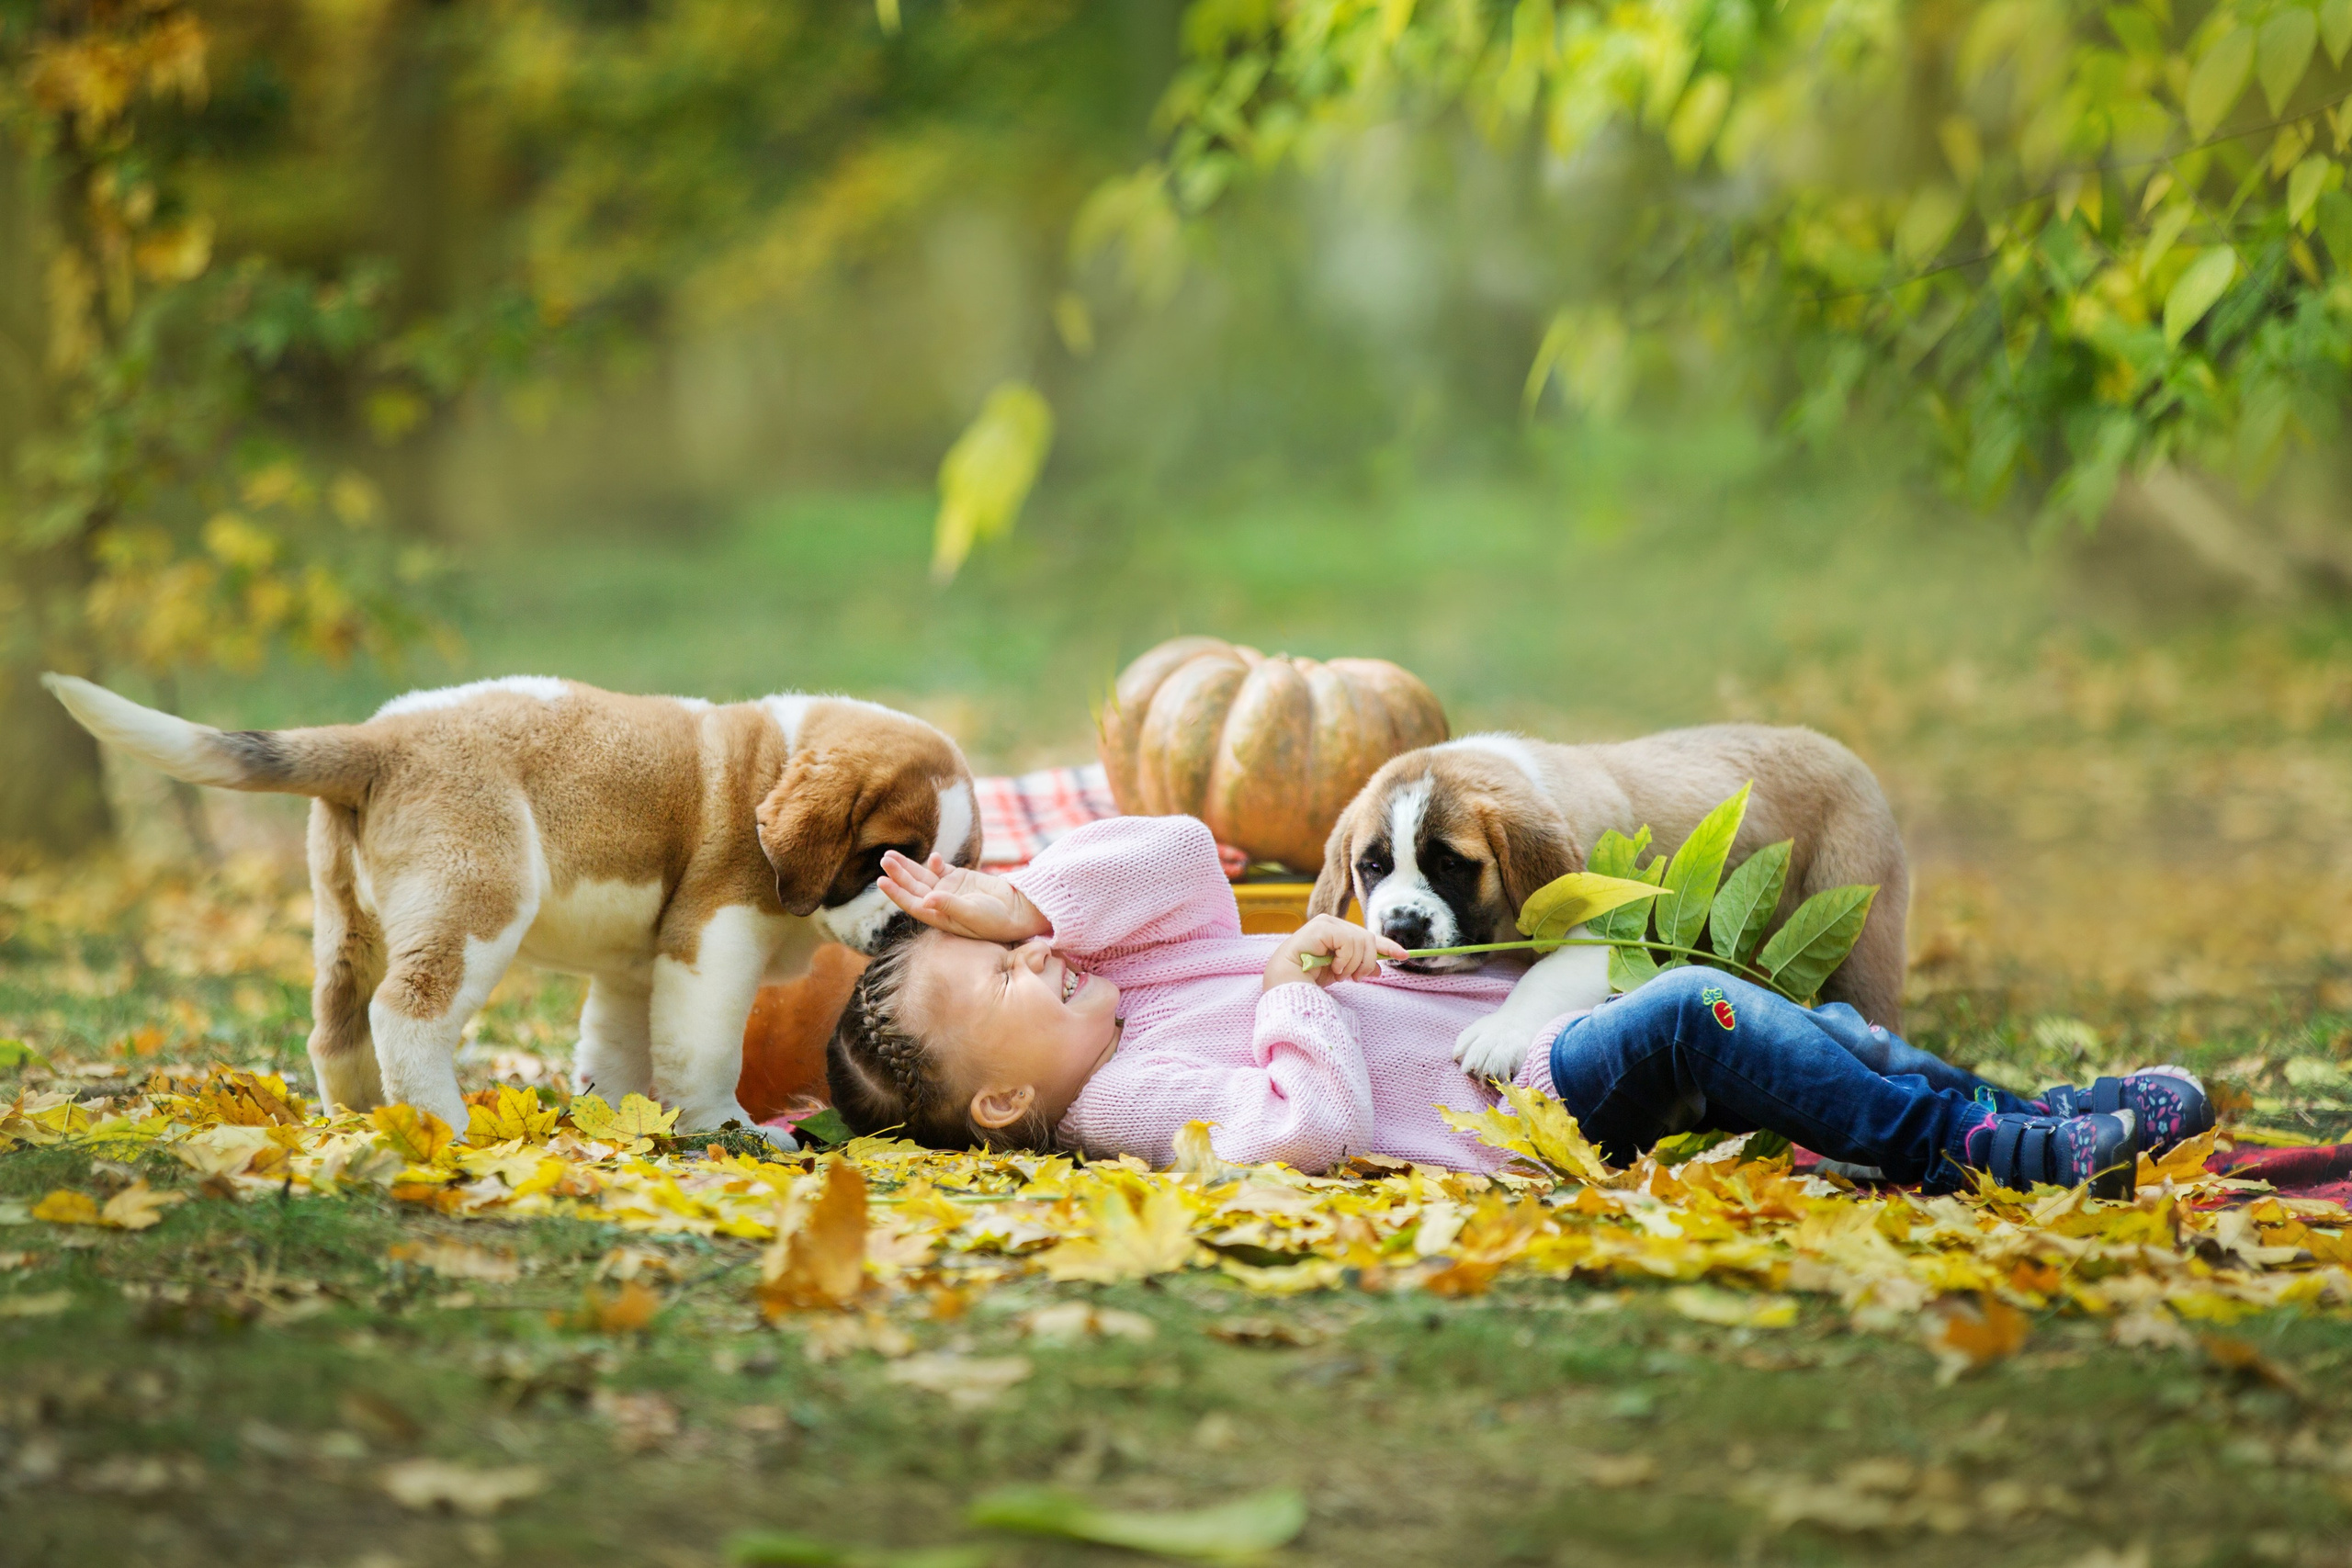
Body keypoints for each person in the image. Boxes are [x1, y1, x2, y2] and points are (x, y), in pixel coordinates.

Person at [827, 816, 2208, 1195]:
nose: (1031, 967)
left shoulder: (1121, 976)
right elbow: (1303, 1129)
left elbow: (1183, 855)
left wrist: (1026, 904)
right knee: (1696, 1017)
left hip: (1528, 1036)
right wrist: (1295, 991)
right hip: (1521, 1108)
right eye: (998, 986)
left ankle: (2026, 1118)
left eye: (1009, 954)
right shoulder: (1122, 1101)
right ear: (1003, 1100)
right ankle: (1967, 1154)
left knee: (1818, 1037)